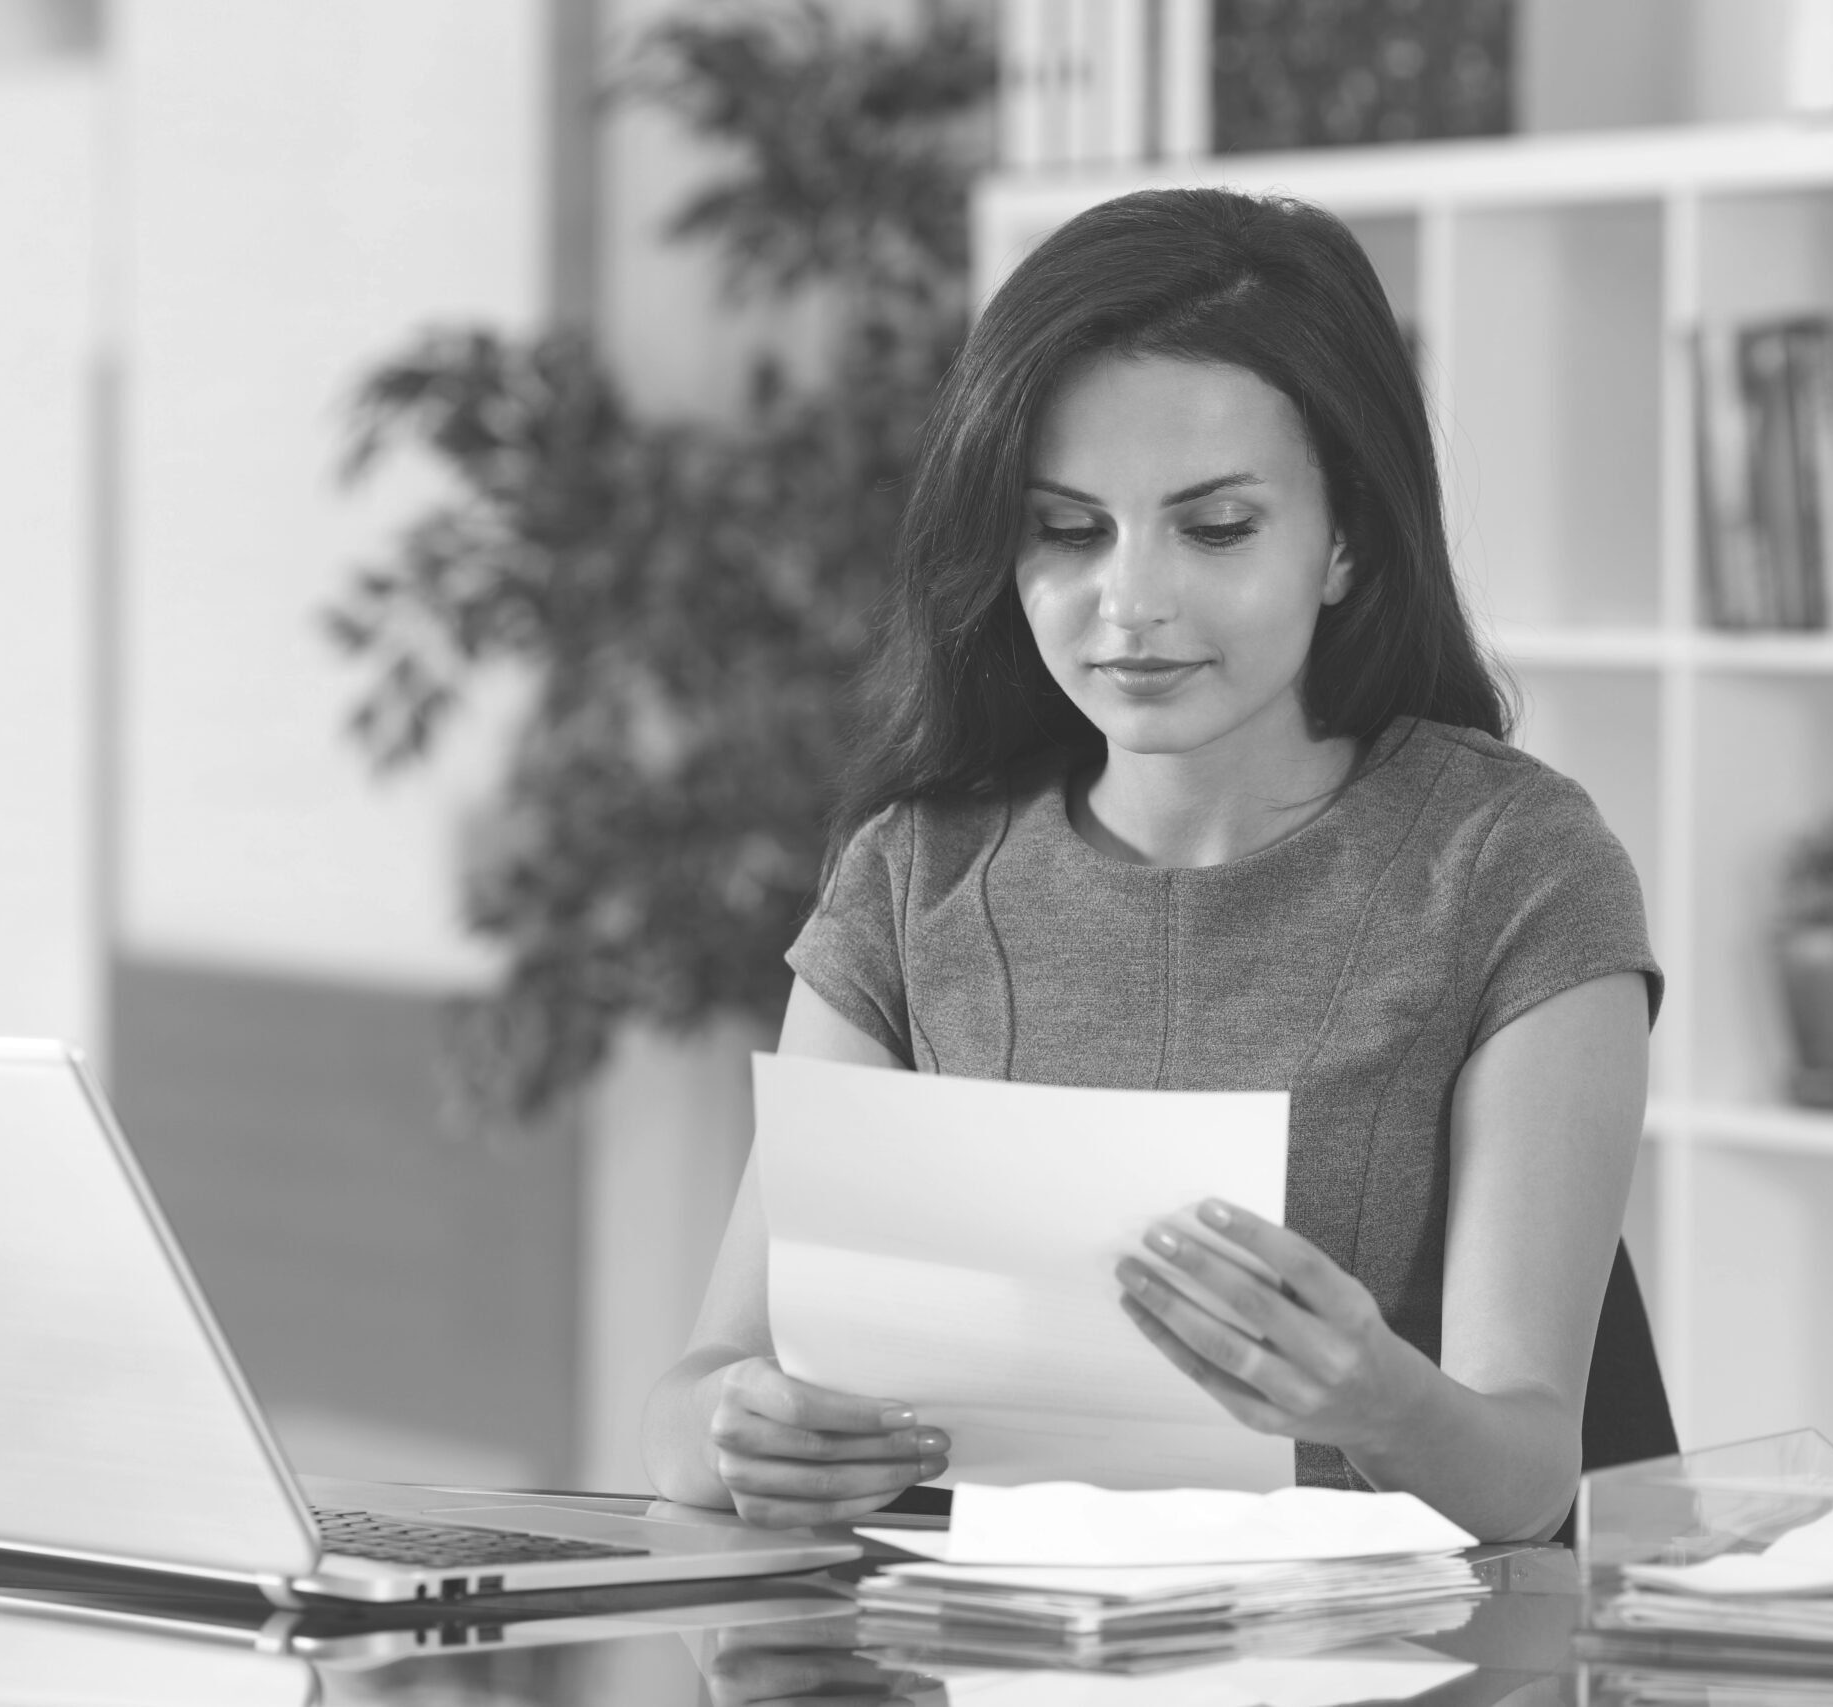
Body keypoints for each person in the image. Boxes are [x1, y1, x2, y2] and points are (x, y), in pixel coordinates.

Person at [640, 187, 1664, 1543]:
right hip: (976, 1656)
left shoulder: (1516, 868)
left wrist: (1383, 1404)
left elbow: (1531, 1472)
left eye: (1218, 527)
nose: (1132, 601)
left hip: (1379, 1668)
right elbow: (700, 1391)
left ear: (1347, 536)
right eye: (1069, 530)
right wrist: (737, 1429)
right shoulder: (910, 876)